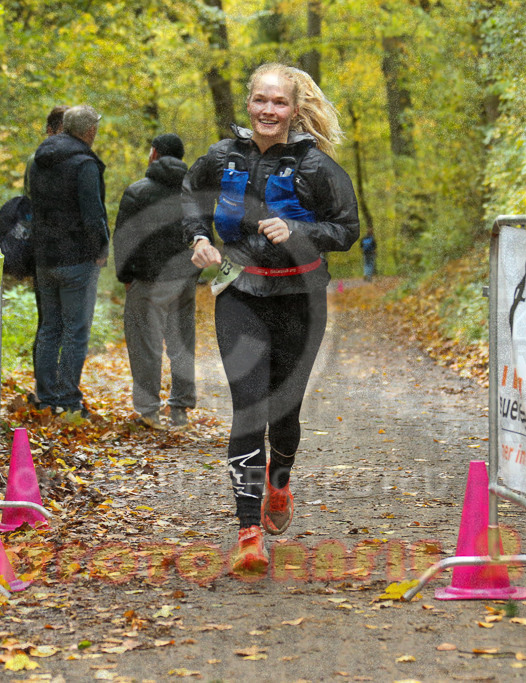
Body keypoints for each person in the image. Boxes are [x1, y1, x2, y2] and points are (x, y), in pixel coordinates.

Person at [183, 63, 360, 574]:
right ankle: (248, 530)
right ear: (249, 103)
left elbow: (347, 228)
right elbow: (187, 200)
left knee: (283, 413)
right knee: (248, 410)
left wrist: (300, 232)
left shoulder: (316, 167)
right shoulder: (222, 157)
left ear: (294, 109)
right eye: (260, 100)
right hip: (240, 291)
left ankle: (278, 483)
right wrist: (197, 238)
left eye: (278, 103)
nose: (268, 110)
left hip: (301, 296)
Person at [26, 104, 109, 419]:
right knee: (76, 329)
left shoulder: (39, 160)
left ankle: (46, 396)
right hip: (76, 258)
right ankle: (69, 400)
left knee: (50, 327)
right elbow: (93, 214)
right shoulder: (84, 164)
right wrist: (100, 247)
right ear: (89, 131)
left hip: (44, 256)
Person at [114, 133, 200, 430]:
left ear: (154, 154)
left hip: (147, 280)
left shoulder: (137, 192)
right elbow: (202, 236)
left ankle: (149, 411)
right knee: (182, 342)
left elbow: (124, 239)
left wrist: (125, 276)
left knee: (145, 344)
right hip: (184, 279)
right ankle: (180, 409)